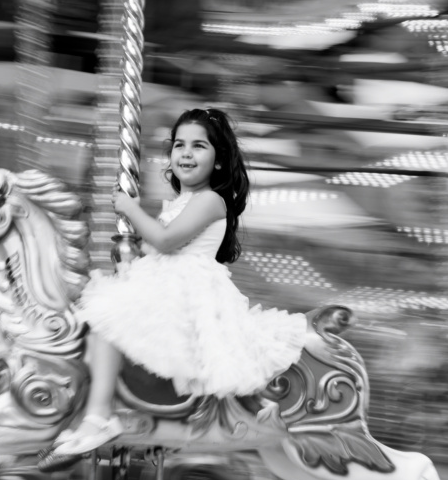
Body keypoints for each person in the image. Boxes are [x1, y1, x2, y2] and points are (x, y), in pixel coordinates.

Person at [50, 107, 310, 456]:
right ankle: (110, 409)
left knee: (107, 323)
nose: (186, 153)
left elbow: (166, 240)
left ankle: (99, 417)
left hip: (188, 289)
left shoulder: (211, 201)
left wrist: (130, 210)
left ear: (219, 161)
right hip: (167, 281)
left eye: (199, 146)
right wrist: (134, 252)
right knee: (101, 326)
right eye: (179, 145)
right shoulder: (182, 201)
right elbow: (157, 243)